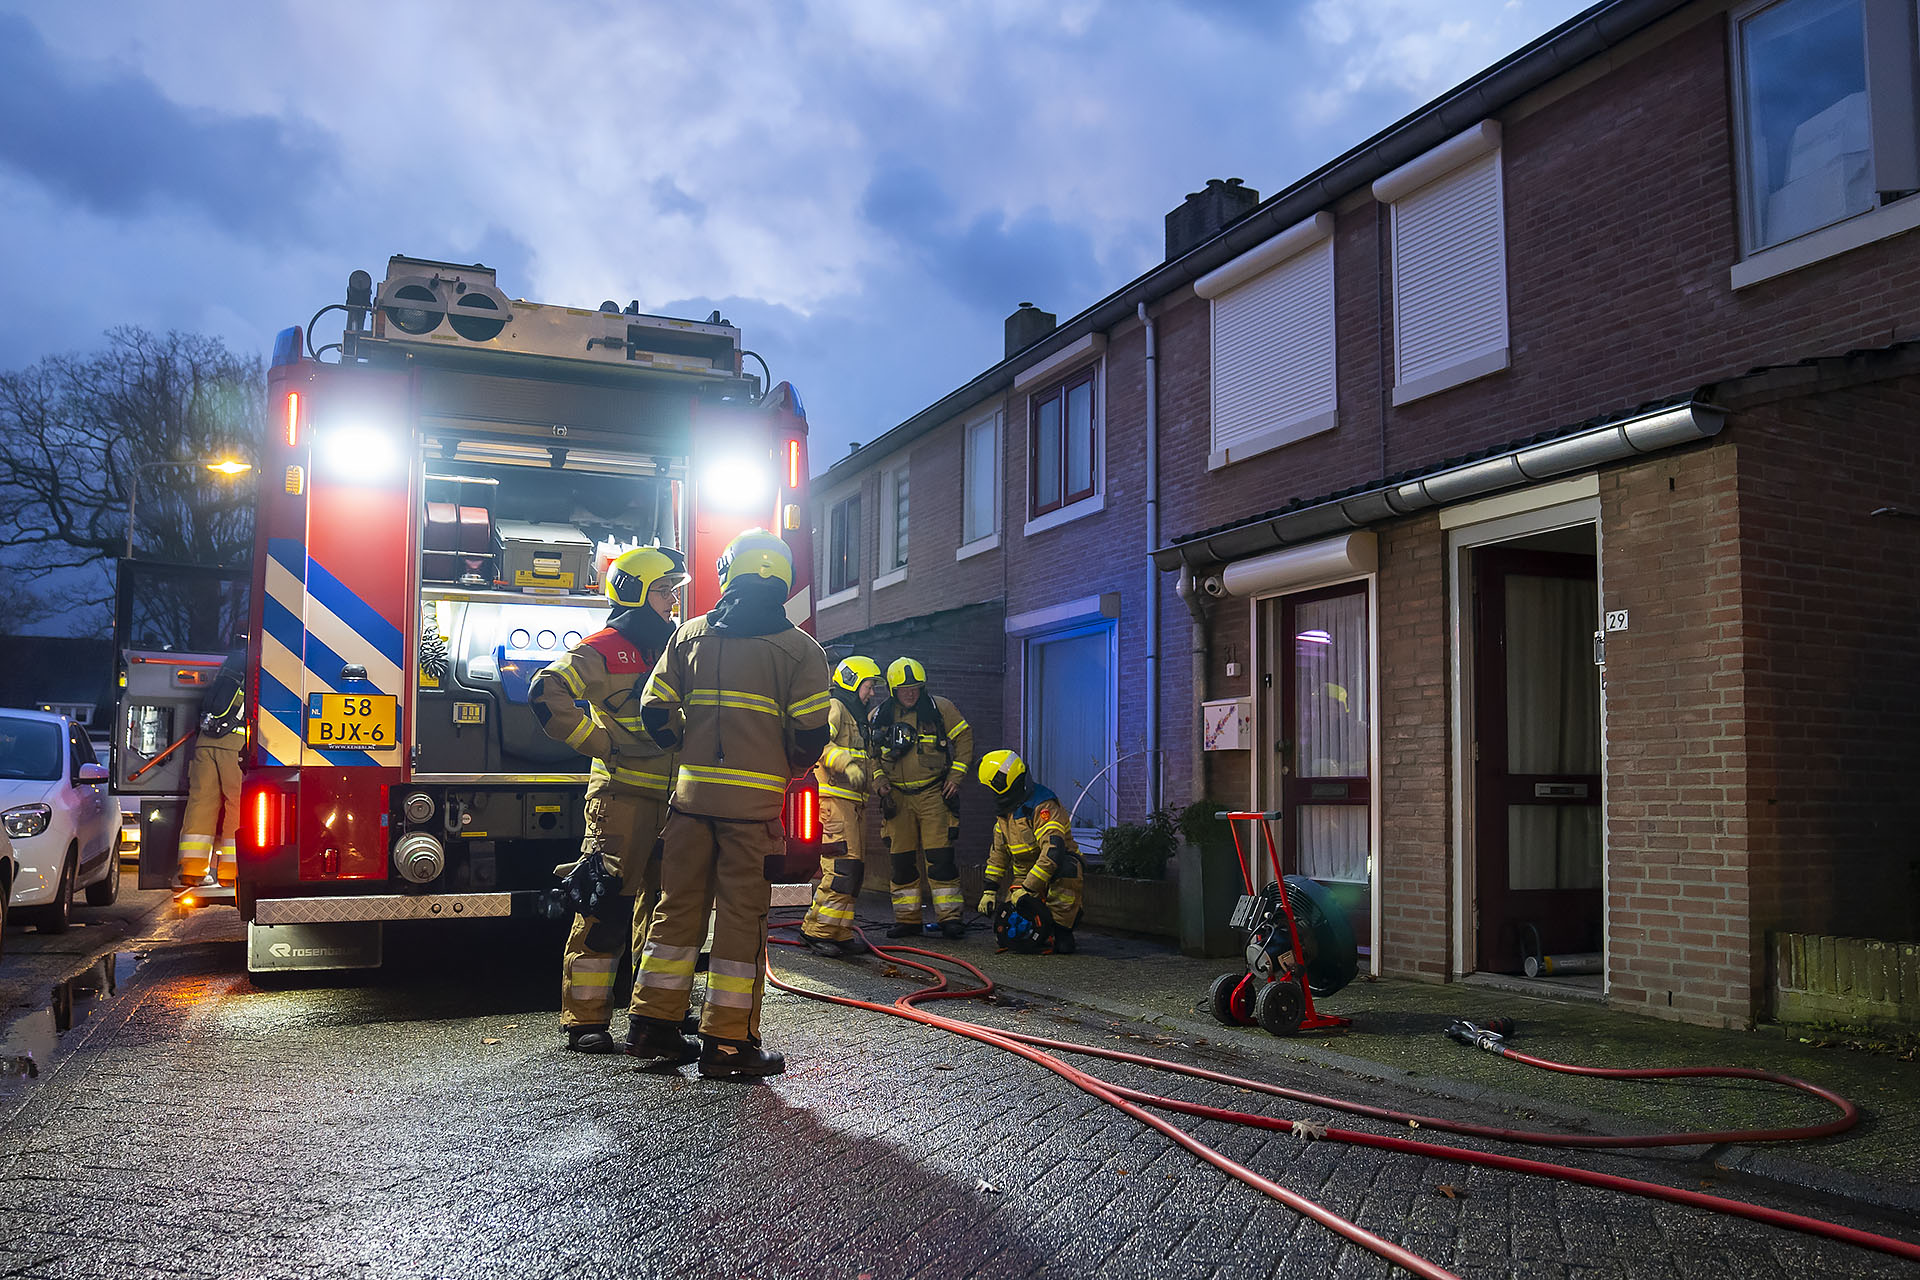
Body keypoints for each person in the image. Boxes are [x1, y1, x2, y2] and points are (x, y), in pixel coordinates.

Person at [628, 528, 833, 1079]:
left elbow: (654, 709)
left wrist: (685, 748)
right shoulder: (802, 651)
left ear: (728, 573)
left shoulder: (689, 635)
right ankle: (726, 1044)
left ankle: (653, 1027)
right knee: (741, 920)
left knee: (676, 908)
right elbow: (810, 734)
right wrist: (788, 767)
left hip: (690, 805)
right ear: (783, 580)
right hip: (754, 814)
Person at [528, 545, 687, 1054]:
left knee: (666, 912)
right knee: (604, 906)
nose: (673, 602)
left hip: (675, 801)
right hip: (621, 800)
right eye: (664, 592)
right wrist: (599, 743)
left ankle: (656, 1016)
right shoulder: (601, 649)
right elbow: (545, 692)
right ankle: (585, 1020)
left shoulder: (678, 647)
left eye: (674, 592)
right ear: (635, 593)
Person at [868, 658, 972, 939]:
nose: (911, 693)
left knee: (941, 859)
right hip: (897, 799)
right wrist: (879, 782)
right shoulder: (879, 716)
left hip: (933, 795)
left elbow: (964, 739)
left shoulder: (940, 709)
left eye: (915, 687)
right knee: (901, 862)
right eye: (904, 689)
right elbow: (870, 755)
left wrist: (955, 777)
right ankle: (907, 920)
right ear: (893, 690)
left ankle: (951, 919)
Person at [798, 655, 883, 957]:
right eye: (868, 686)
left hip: (853, 804)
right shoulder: (836, 707)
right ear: (852, 682)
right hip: (835, 802)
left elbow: (868, 759)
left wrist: (877, 782)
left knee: (853, 870)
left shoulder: (857, 717)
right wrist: (846, 764)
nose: (871, 692)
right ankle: (817, 931)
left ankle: (839, 931)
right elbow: (822, 744)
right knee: (841, 870)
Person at [976, 749, 1084, 954]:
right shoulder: (1005, 813)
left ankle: (1062, 932)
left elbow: (1053, 851)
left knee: (1067, 871)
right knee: (1008, 933)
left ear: (1003, 783)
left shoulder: (1043, 805)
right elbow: (998, 854)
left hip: (1055, 870)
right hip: (1025, 875)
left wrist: (1028, 888)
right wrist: (989, 890)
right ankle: (1040, 932)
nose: (992, 794)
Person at [178, 643, 247, 887]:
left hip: (205, 743)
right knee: (238, 804)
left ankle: (191, 869)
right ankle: (231, 872)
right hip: (235, 746)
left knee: (201, 802)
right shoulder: (261, 664)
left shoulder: (231, 665)